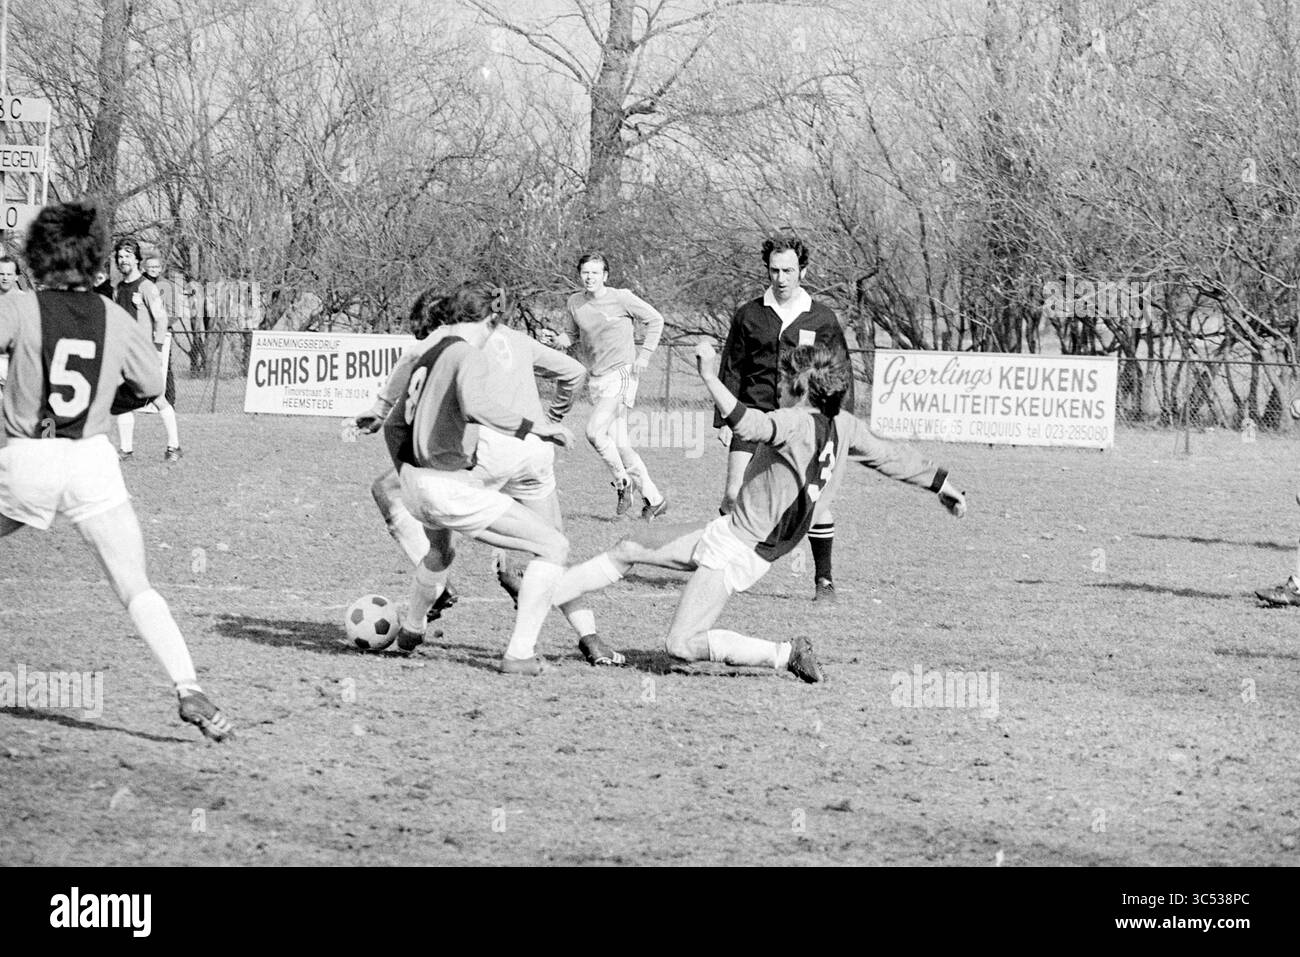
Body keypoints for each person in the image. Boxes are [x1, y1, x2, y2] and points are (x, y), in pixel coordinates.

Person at [546, 341, 967, 682]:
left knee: (682, 644)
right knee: (629, 546)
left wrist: (709, 375)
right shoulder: (845, 425)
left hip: (738, 546)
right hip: (740, 535)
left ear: (801, 388)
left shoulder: (795, 422)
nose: (779, 386)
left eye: (785, 380)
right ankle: (542, 594)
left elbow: (749, 426)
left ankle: (786, 654)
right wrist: (941, 484)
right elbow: (892, 456)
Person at [0, 201, 232, 741]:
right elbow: (151, 386)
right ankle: (188, 686)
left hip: (28, 457)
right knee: (136, 587)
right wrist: (103, 402)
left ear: (38, 257)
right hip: (91, 463)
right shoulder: (116, 318)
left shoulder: (20, 306)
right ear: (97, 260)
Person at [356, 290, 625, 667]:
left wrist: (383, 410)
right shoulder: (498, 342)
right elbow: (571, 373)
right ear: (489, 317)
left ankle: (419, 620)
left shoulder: (439, 348)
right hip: (530, 453)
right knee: (552, 546)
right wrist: (548, 422)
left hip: (480, 452)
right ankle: (579, 638)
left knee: (415, 518)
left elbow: (410, 386)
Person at [716, 235, 854, 602]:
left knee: (812, 501)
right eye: (774, 270)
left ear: (802, 271)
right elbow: (732, 366)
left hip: (801, 422)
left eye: (789, 270)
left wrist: (839, 422)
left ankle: (823, 582)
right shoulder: (749, 313)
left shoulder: (821, 317)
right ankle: (720, 568)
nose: (781, 278)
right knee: (732, 495)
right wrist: (722, 420)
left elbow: (840, 369)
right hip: (752, 415)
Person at [539, 252, 668, 520]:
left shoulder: (621, 298)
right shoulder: (575, 302)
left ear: (605, 276)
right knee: (620, 444)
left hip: (622, 373)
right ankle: (654, 500)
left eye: (595, 272)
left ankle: (623, 483)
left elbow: (656, 320)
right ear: (580, 274)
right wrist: (553, 338)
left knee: (594, 432)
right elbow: (570, 337)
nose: (589, 277)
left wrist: (644, 355)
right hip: (596, 379)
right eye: (585, 272)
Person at [112, 240, 182, 461]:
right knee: (121, 400)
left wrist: (158, 349)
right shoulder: (119, 288)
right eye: (120, 256)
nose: (123, 260)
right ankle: (126, 450)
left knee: (157, 398)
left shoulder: (146, 287)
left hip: (143, 354)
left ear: (137, 260)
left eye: (128, 256)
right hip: (123, 354)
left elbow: (161, 319)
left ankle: (174, 447)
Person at [142, 255, 178, 408]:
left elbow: (174, 312)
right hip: (142, 333)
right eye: (151, 267)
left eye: (156, 267)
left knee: (165, 367)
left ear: (161, 268)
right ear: (144, 268)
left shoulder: (167, 285)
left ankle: (169, 402)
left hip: (163, 334)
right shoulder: (140, 283)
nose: (154, 270)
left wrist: (161, 326)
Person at [0, 255, 18, 394]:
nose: (5, 277)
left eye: (9, 274)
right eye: (1, 273)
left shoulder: (26, 302)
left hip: (15, 365)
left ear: (16, 277)